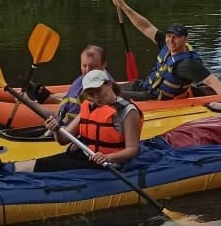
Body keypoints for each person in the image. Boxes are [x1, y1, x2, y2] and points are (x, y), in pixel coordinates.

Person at [14, 69, 143, 173]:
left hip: (108, 163)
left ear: (108, 84)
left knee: (45, 165)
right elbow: (63, 140)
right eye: (91, 94)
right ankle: (9, 169)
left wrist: (107, 157)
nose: (96, 97)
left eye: (98, 91)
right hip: (84, 157)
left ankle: (13, 170)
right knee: (42, 162)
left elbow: (132, 149)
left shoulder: (128, 111)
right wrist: (56, 130)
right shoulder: (89, 107)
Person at [111, 0, 221, 102]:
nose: (171, 40)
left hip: (154, 97)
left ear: (186, 39)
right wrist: (123, 6)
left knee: (110, 95)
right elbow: (145, 27)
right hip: (144, 86)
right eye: (169, 36)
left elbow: (212, 81)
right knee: (108, 88)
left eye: (176, 37)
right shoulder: (166, 43)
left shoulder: (188, 64)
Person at [30, 44, 111, 127]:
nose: (87, 71)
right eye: (84, 65)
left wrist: (29, 102)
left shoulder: (99, 91)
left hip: (70, 133)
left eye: (93, 67)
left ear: (103, 65)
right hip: (63, 126)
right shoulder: (89, 81)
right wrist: (53, 98)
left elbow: (76, 104)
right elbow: (74, 100)